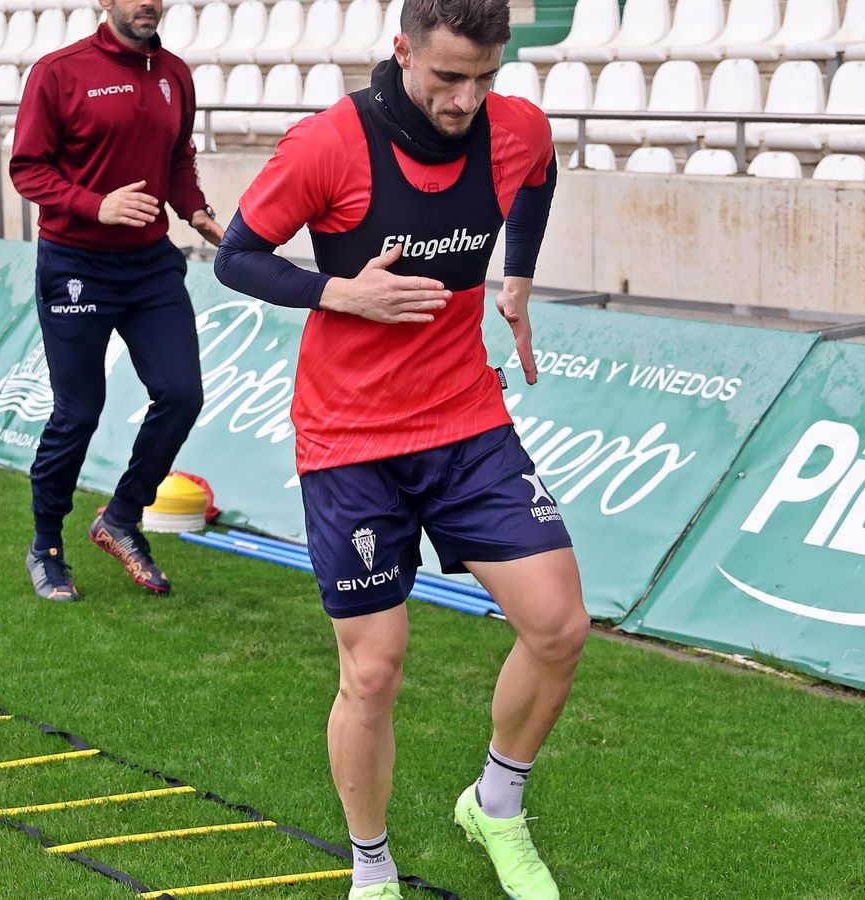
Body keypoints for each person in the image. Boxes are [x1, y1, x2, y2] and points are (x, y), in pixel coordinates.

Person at [213, 0, 587, 896]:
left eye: (485, 78)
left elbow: (541, 174)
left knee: (559, 626)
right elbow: (237, 256)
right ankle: (371, 868)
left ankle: (495, 802)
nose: (467, 99)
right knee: (372, 671)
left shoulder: (515, 128)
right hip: (351, 440)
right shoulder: (327, 145)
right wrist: (338, 293)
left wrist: (518, 279)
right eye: (449, 76)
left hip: (466, 421)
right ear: (402, 50)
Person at [9, 0, 225, 602]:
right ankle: (46, 545)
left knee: (182, 395)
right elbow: (28, 168)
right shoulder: (58, 72)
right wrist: (93, 204)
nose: (148, 3)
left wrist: (196, 209)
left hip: (151, 266)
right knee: (78, 412)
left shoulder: (175, 73)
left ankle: (122, 516)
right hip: (75, 264)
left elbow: (178, 159)